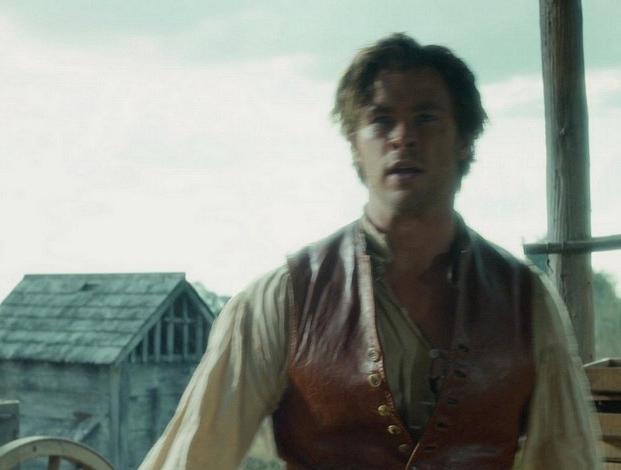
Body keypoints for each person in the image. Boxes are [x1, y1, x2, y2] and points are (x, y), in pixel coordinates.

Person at [140, 33, 600, 469]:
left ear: (464, 141)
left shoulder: (525, 301)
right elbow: (193, 455)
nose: (403, 137)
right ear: (355, 146)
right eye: (381, 120)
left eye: (426, 117)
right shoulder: (285, 299)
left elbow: (567, 457)